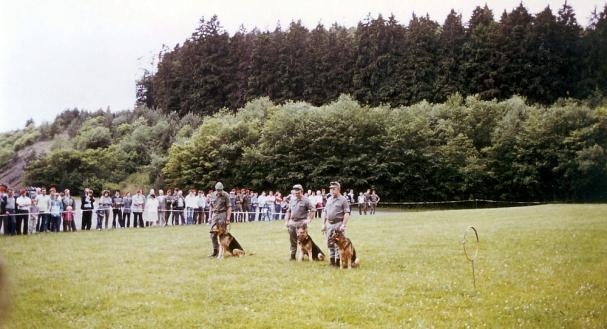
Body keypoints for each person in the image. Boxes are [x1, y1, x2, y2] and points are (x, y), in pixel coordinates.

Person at [322, 181, 351, 267]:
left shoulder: (343, 200)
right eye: (330, 189)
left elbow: (347, 213)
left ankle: (338, 262)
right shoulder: (329, 199)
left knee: (339, 243)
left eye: (333, 189)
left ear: (338, 189)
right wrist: (323, 224)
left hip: (338, 224)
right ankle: (332, 261)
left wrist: (343, 225)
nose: (331, 190)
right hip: (329, 224)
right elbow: (325, 212)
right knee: (330, 242)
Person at [285, 184, 314, 261]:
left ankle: (303, 255)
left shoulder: (306, 200)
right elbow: (288, 211)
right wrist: (286, 221)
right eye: (295, 193)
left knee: (303, 240)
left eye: (298, 193)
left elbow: (313, 210)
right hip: (292, 222)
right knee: (292, 239)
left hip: (301, 223)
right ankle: (292, 255)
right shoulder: (292, 200)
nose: (296, 194)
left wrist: (309, 219)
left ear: (301, 191)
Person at [208, 182, 232, 258]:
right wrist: (209, 216)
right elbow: (211, 206)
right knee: (212, 234)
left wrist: (228, 218)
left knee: (223, 235)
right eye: (218, 190)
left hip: (222, 214)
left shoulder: (226, 195)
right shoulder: (212, 195)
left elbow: (229, 207)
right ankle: (216, 251)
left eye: (220, 190)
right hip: (215, 215)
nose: (219, 192)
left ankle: (223, 251)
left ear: (222, 189)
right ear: (215, 190)